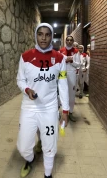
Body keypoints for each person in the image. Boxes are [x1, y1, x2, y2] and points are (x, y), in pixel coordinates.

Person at [16, 23, 70, 178]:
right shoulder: (25, 57)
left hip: (49, 109)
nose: (44, 38)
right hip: (29, 107)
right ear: (36, 35)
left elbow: (63, 85)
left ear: (52, 36)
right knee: (24, 146)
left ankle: (48, 174)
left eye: (47, 34)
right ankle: (29, 159)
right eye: (40, 34)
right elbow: (20, 80)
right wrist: (27, 90)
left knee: (50, 145)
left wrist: (65, 110)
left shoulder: (60, 59)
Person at [59, 36, 81, 122]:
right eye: (67, 40)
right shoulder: (61, 51)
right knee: (62, 93)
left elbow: (78, 64)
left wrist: (72, 62)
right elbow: (58, 63)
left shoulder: (76, 52)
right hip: (62, 73)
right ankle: (63, 112)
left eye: (71, 40)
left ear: (73, 41)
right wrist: (65, 60)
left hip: (72, 74)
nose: (69, 41)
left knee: (71, 95)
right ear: (65, 41)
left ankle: (70, 112)